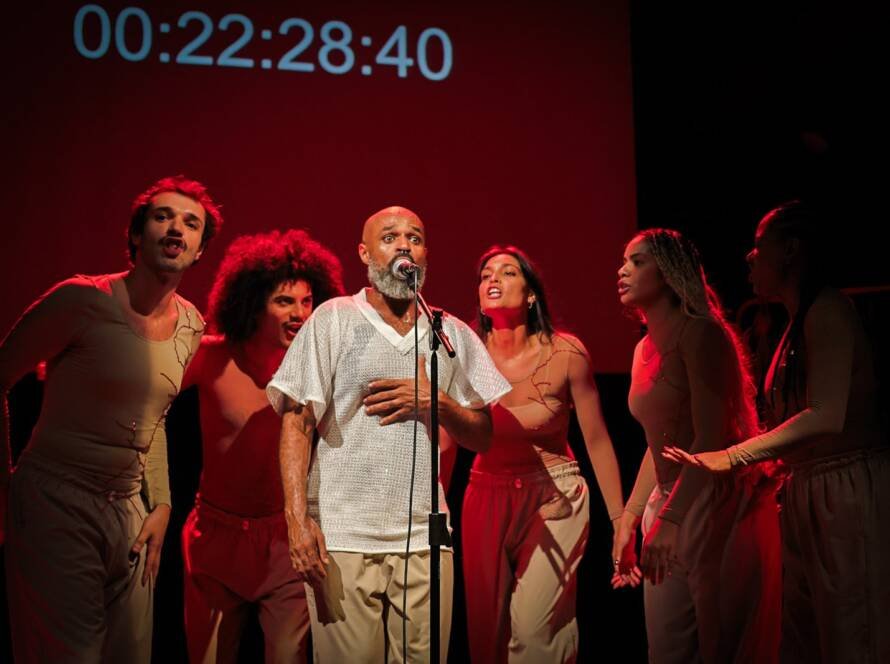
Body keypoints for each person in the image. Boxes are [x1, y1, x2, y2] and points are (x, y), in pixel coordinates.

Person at [266, 206, 510, 663]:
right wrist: (298, 521)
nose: (404, 245)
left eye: (415, 238)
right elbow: (296, 421)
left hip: (425, 538)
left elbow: (483, 435)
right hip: (344, 536)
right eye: (390, 237)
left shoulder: (447, 331)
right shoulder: (333, 318)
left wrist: (435, 402)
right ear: (364, 252)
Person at [0, 175, 222, 662]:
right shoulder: (82, 300)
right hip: (57, 500)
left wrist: (162, 505)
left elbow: (155, 415)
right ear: (137, 234)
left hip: (128, 513)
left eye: (190, 224)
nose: (175, 229)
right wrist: (7, 489)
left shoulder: (190, 324)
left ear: (200, 250)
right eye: (162, 216)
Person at [663, 202, 890, 663]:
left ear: (789, 251)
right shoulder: (795, 322)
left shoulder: (826, 310)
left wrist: (735, 455)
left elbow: (826, 415)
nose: (749, 257)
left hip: (843, 487)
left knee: (851, 632)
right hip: (807, 486)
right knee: (803, 637)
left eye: (758, 246)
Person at [613, 228, 781, 663]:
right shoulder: (642, 349)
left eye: (637, 262)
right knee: (666, 648)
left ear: (669, 273)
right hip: (670, 502)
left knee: (720, 646)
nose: (622, 270)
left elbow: (708, 438)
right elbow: (659, 443)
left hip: (714, 500)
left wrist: (670, 519)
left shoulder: (701, 334)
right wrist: (631, 517)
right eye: (623, 261)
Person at [180, 229, 345, 663]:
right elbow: (144, 388)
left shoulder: (321, 368)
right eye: (285, 301)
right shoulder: (212, 357)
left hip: (285, 541)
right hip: (216, 539)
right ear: (253, 304)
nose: (300, 313)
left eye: (308, 301)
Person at [454, 246, 624, 663]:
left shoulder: (566, 353)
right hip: (485, 497)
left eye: (507, 272)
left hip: (555, 498)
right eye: (484, 275)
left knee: (533, 635)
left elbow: (597, 439)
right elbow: (444, 440)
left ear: (531, 294)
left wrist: (621, 520)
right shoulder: (462, 355)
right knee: (486, 639)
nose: (492, 279)